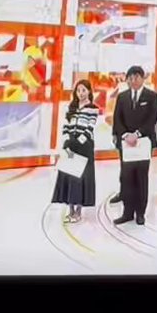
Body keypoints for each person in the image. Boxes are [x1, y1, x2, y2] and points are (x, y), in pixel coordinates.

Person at [112, 65, 157, 226]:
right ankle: (127, 212)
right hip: (126, 145)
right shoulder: (122, 97)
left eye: (136, 77)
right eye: (130, 78)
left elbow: (152, 120)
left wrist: (137, 134)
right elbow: (117, 119)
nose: (133, 81)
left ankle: (140, 213)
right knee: (127, 179)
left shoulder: (151, 96)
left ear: (142, 78)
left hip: (143, 143)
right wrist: (125, 135)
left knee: (141, 179)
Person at [52, 80, 98, 223]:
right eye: (78, 90)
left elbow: (89, 129)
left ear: (89, 91)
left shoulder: (93, 109)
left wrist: (78, 142)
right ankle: (70, 210)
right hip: (70, 146)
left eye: (84, 90)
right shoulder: (71, 108)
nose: (81, 93)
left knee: (80, 179)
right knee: (69, 177)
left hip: (84, 147)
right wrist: (67, 143)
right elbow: (65, 127)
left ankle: (78, 212)